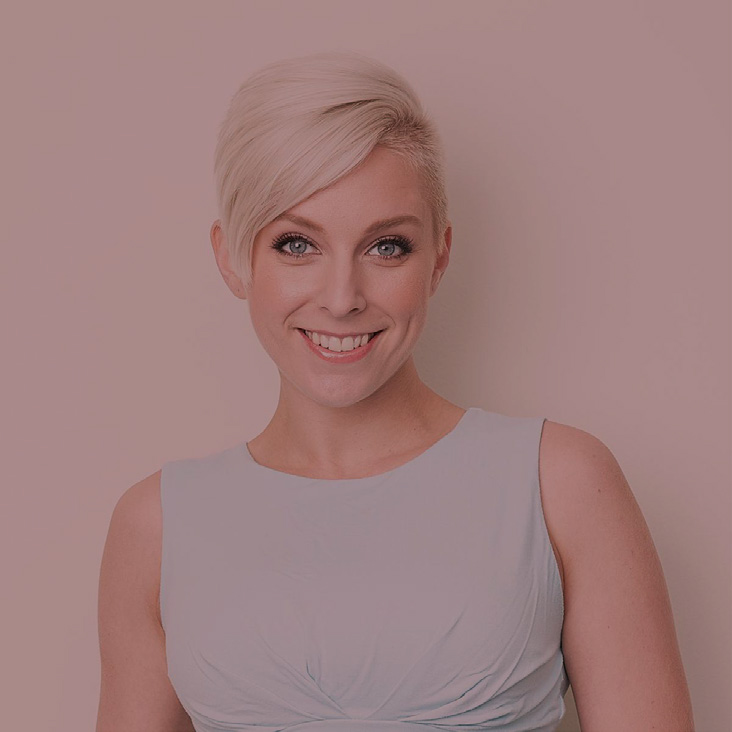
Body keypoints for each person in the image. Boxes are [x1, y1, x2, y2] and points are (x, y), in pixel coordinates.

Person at [95, 51, 694, 732]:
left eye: (386, 247)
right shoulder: (157, 525)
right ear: (231, 257)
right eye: (296, 244)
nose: (342, 297)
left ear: (438, 257)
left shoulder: (560, 483)